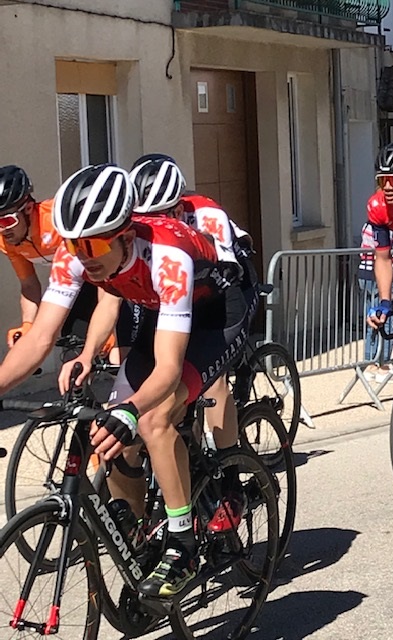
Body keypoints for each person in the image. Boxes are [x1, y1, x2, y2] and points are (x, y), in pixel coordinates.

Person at [0, 164, 251, 598]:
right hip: (161, 309)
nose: (83, 256)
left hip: (218, 315)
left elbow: (169, 369)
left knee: (152, 420)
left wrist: (131, 411)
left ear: (125, 236)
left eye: (94, 244)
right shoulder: (77, 254)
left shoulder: (167, 256)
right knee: (108, 430)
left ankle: (183, 545)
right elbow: (41, 335)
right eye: (75, 244)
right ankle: (139, 536)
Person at [127, 156, 258, 530]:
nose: (152, 224)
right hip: (181, 298)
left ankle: (231, 485)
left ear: (179, 205)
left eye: (162, 214)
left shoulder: (205, 216)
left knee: (212, 382)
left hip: (223, 299)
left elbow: (226, 279)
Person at [0, 165, 98, 347]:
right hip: (77, 280)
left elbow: (101, 263)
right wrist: (28, 325)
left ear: (28, 208)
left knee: (114, 348)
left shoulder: (57, 220)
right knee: (70, 338)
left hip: (106, 276)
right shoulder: (7, 240)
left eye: (6, 220)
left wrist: (105, 325)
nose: (2, 230)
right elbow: (29, 285)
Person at [357, 221, 393, 382]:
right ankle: (383, 365)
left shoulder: (367, 226)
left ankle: (371, 363)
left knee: (372, 317)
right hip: (381, 276)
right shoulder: (386, 227)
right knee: (386, 320)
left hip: (366, 273)